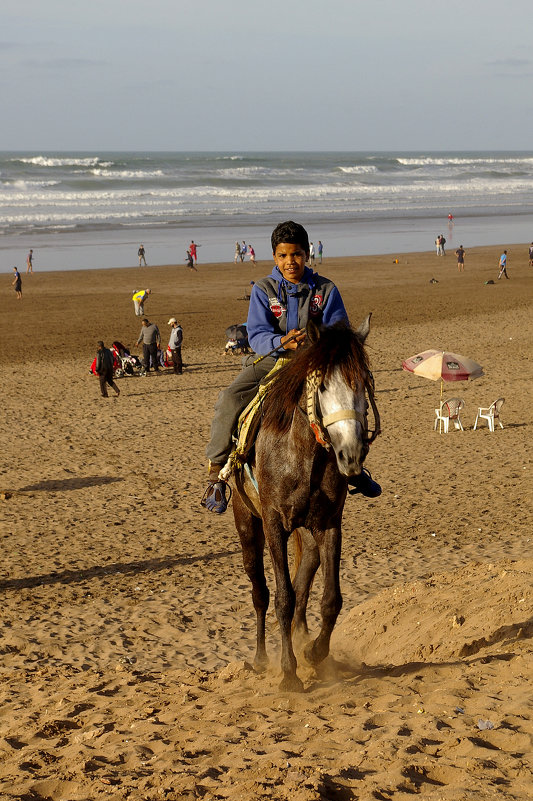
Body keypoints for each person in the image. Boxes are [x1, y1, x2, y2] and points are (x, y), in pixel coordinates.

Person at [201, 219, 381, 514]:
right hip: (273, 361)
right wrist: (282, 341)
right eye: (283, 256)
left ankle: (355, 466)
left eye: (296, 254)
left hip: (317, 364)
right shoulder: (264, 289)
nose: (290, 261)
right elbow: (257, 335)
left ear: (306, 254)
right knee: (229, 399)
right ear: (275, 257)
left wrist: (317, 348)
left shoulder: (325, 290)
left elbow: (339, 331)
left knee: (351, 398)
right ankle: (217, 471)